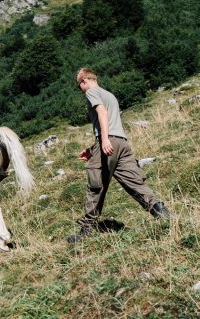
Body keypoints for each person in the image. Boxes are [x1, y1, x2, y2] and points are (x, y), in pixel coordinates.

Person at [67, 68, 170, 243]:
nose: (81, 90)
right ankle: (161, 211)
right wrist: (93, 149)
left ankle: (86, 230)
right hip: (122, 143)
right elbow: (112, 124)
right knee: (134, 181)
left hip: (108, 142)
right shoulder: (110, 95)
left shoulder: (92, 92)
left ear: (84, 81)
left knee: (95, 186)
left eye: (79, 86)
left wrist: (104, 140)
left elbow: (102, 113)